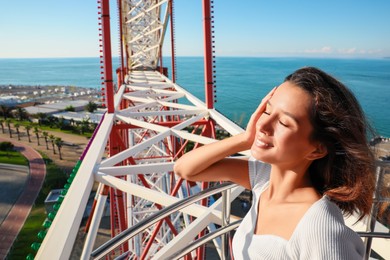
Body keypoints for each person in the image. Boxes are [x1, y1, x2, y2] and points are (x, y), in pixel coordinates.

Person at [174, 67, 376, 259]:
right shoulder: (264, 179)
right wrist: (244, 139)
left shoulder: (319, 227)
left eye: (284, 123)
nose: (263, 125)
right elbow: (185, 169)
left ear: (317, 149)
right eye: (268, 111)